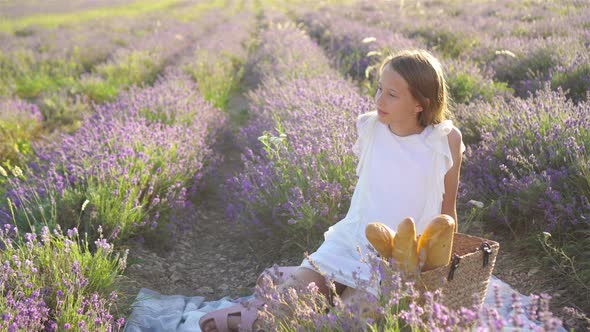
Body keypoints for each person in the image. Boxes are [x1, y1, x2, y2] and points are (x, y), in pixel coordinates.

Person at [199, 49, 466, 331]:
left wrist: (449, 267)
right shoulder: (370, 127)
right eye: (379, 89)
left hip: (399, 258)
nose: (379, 100)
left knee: (345, 323)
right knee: (289, 306)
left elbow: (448, 209)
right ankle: (275, 301)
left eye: (392, 94)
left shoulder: (445, 140)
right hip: (352, 240)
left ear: (420, 104)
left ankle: (307, 290)